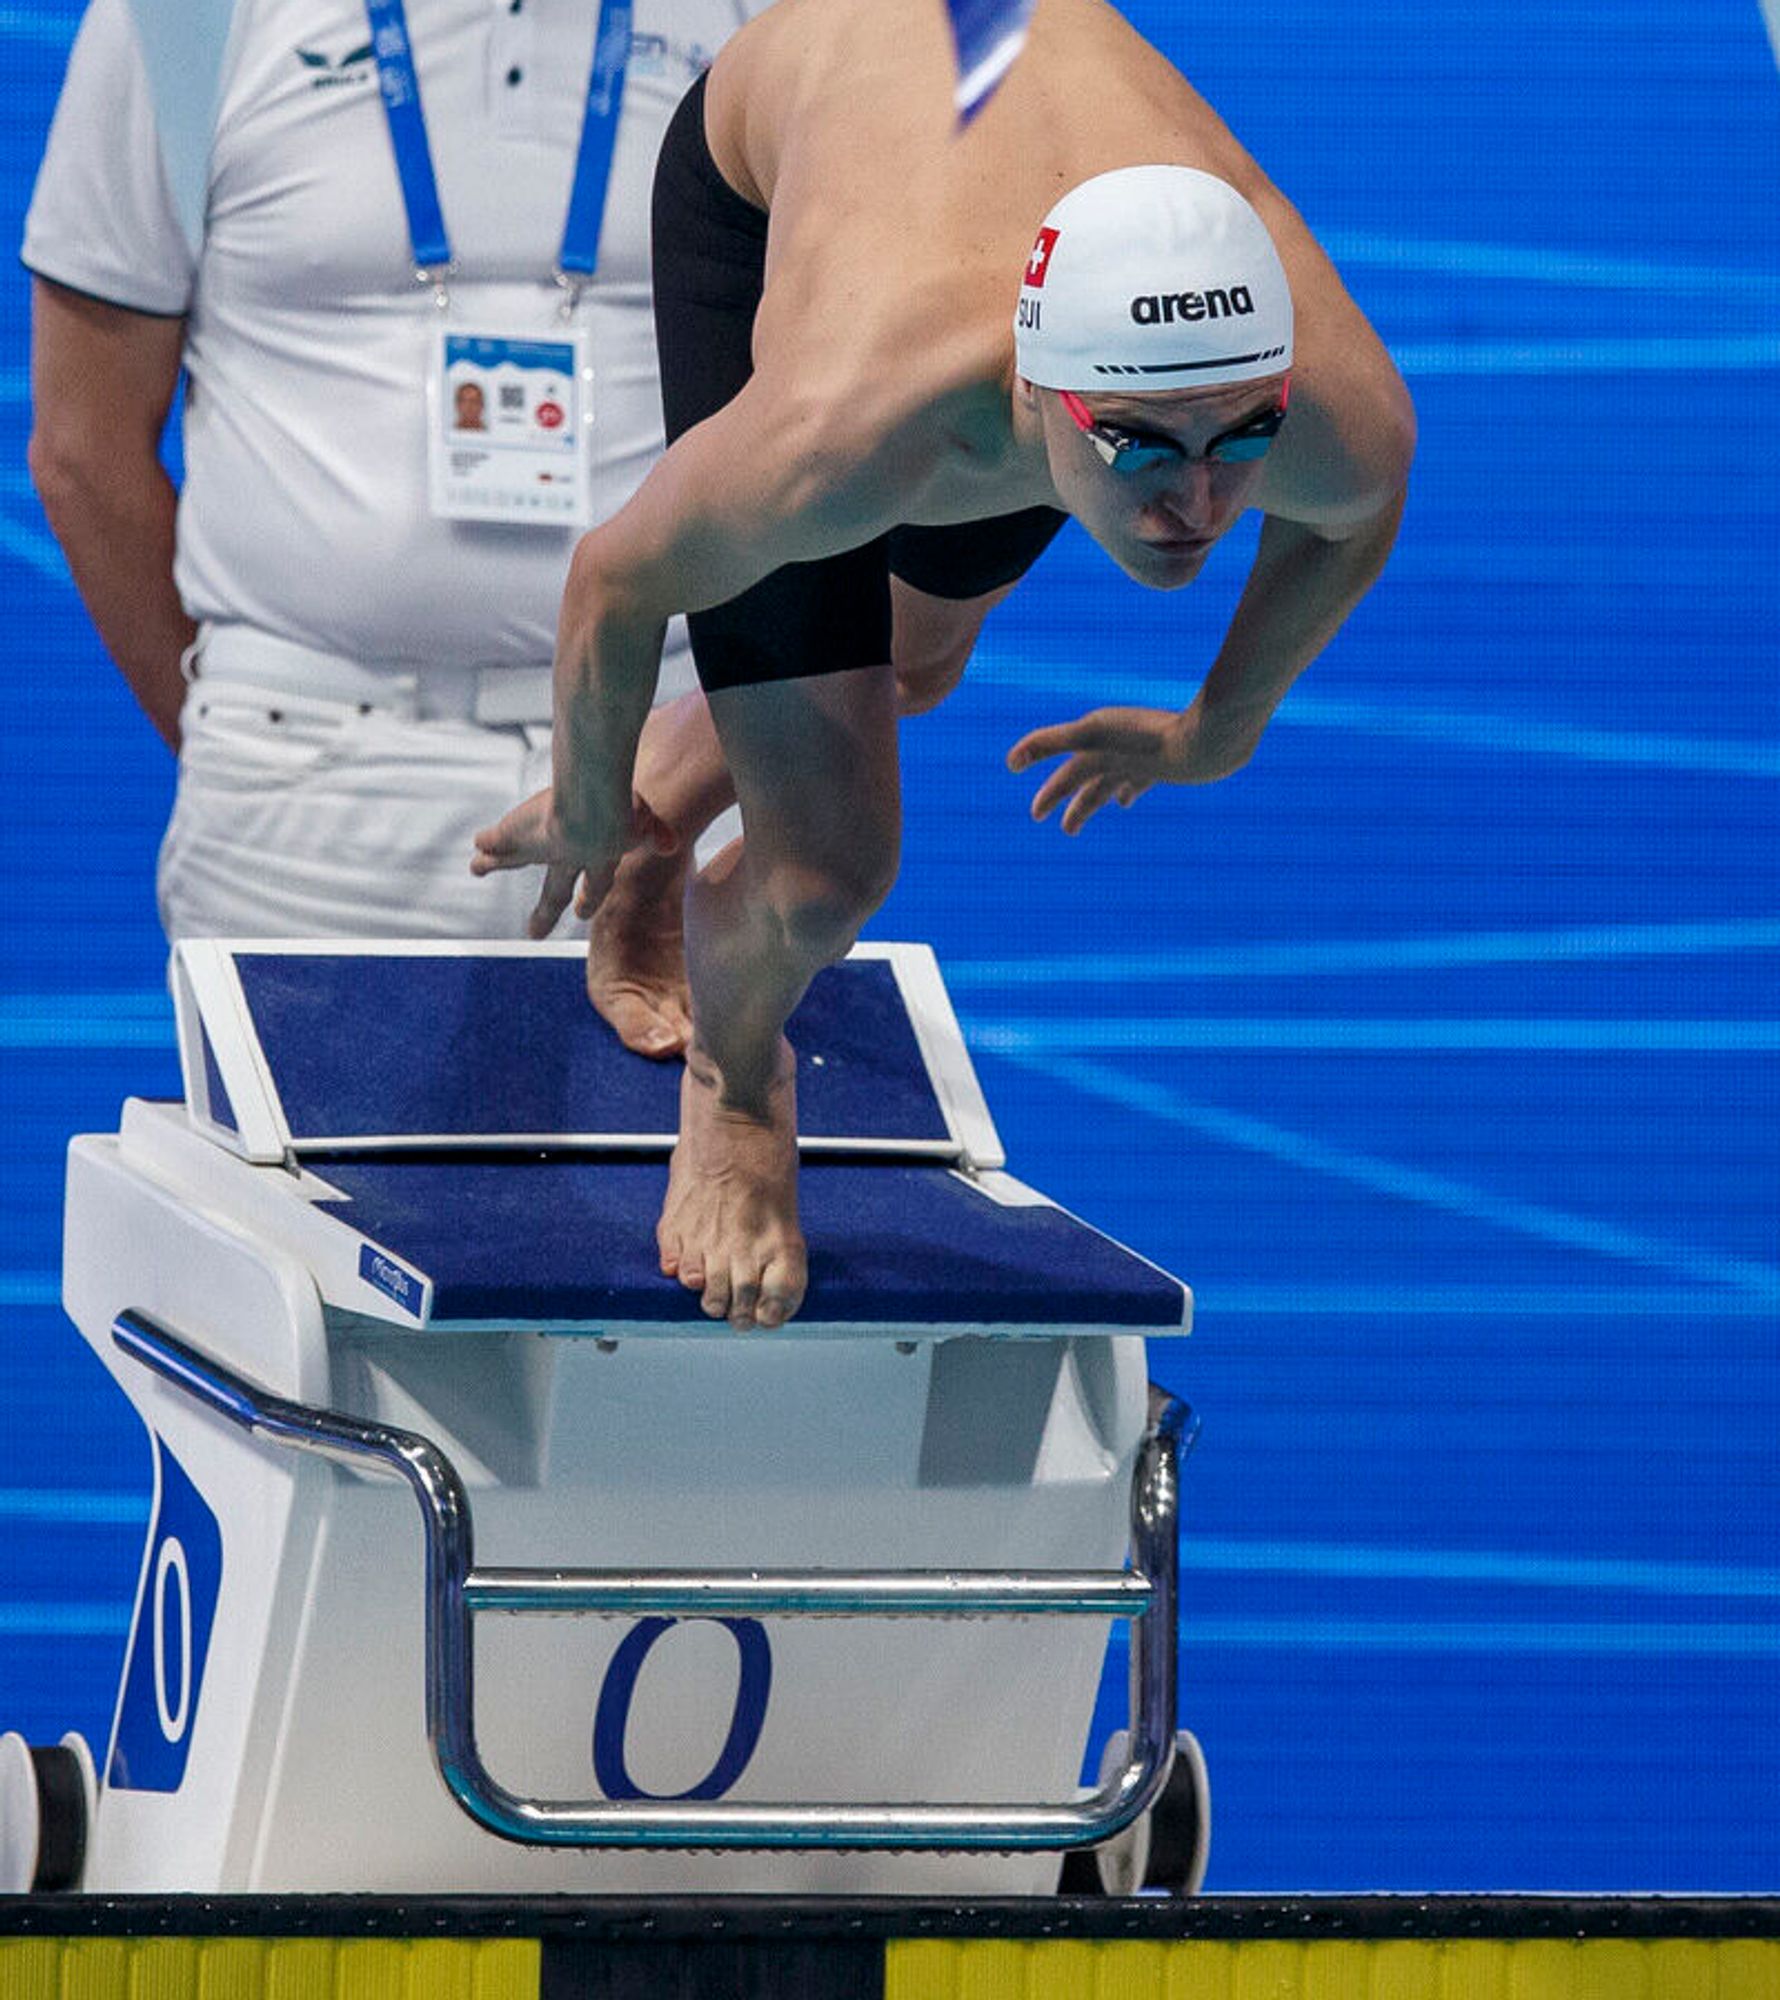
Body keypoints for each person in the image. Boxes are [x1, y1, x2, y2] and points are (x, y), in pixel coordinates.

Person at [472, 0, 1417, 1335]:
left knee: (904, 670)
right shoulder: (848, 420)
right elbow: (616, 577)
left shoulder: (1322, 410)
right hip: (784, 174)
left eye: (1237, 440)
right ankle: (739, 1093)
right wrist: (579, 799)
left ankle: (676, 803)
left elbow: (1351, 519)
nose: (1196, 506)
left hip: (1005, 209)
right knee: (826, 868)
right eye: (1145, 449)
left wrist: (1215, 727)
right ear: (1032, 397)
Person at [23, 0, 766, 950]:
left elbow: (846, 411)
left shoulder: (781, 19)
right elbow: (84, 449)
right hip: (304, 793)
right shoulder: (179, 16)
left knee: (708, 1106)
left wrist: (715, 749)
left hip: (676, 775)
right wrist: (244, 730)